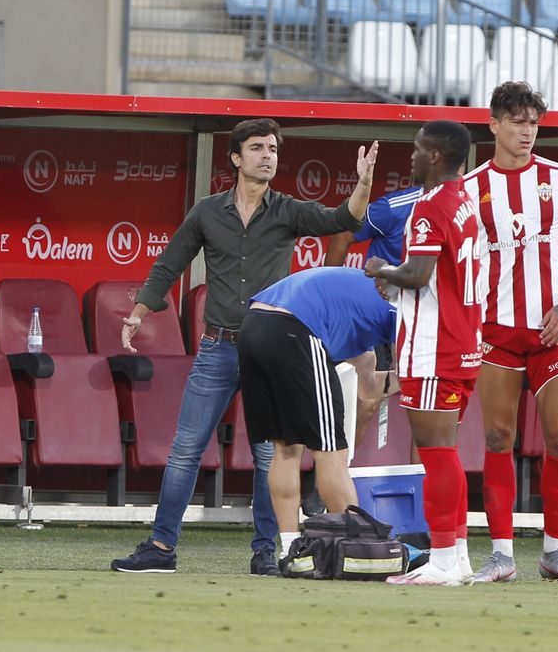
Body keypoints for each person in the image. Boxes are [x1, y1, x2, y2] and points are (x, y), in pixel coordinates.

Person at [111, 120, 379, 576]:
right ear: (236, 159)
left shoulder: (288, 210)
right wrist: (139, 312)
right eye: (257, 148)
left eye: (272, 148)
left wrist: (364, 183)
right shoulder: (207, 212)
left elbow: (343, 219)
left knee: (269, 455)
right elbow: (170, 262)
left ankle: (265, 552)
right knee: (185, 450)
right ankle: (160, 547)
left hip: (269, 350)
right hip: (217, 346)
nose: (267, 155)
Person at [464, 81, 558, 586]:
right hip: (496, 330)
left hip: (553, 330)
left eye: (534, 122)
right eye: (517, 121)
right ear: (494, 124)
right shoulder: (473, 187)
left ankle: (555, 551)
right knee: (499, 437)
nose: (527, 131)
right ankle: (501, 553)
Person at [366, 121, 483, 587]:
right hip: (462, 342)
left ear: (434, 155)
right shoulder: (465, 201)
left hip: (434, 346)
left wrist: (380, 267)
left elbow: (417, 275)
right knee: (446, 452)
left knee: (436, 455)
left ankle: (441, 560)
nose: (410, 157)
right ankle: (458, 557)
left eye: (416, 149)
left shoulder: (431, 205)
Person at [237, 267, 398, 558]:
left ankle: (289, 550)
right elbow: (421, 367)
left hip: (253, 326)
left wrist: (407, 380)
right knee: (331, 451)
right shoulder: (403, 307)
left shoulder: (354, 315)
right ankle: (355, 548)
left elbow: (371, 385)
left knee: (285, 448)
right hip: (295, 327)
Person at [325, 183, 421, 457]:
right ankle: (327, 486)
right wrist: (331, 294)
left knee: (430, 407)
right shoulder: (395, 207)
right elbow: (343, 235)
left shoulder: (464, 207)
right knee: (365, 402)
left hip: (425, 320)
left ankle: (422, 494)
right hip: (378, 314)